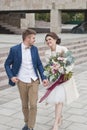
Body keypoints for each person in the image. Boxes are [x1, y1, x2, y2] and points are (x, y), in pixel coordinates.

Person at [4, 28, 48, 130]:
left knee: (33, 105)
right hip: (21, 81)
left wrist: (44, 77)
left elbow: (39, 64)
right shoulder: (14, 49)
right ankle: (27, 123)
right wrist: (11, 76)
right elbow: (7, 64)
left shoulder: (34, 49)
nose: (34, 40)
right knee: (24, 105)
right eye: (33, 38)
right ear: (27, 38)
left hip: (34, 81)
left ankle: (30, 127)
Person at [44, 32, 79, 130]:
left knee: (59, 101)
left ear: (55, 39)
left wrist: (63, 69)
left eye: (50, 39)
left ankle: (56, 123)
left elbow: (71, 62)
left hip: (64, 79)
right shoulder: (47, 53)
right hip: (55, 80)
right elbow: (48, 68)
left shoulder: (63, 49)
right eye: (46, 40)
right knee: (57, 101)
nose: (48, 41)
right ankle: (59, 118)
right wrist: (49, 76)